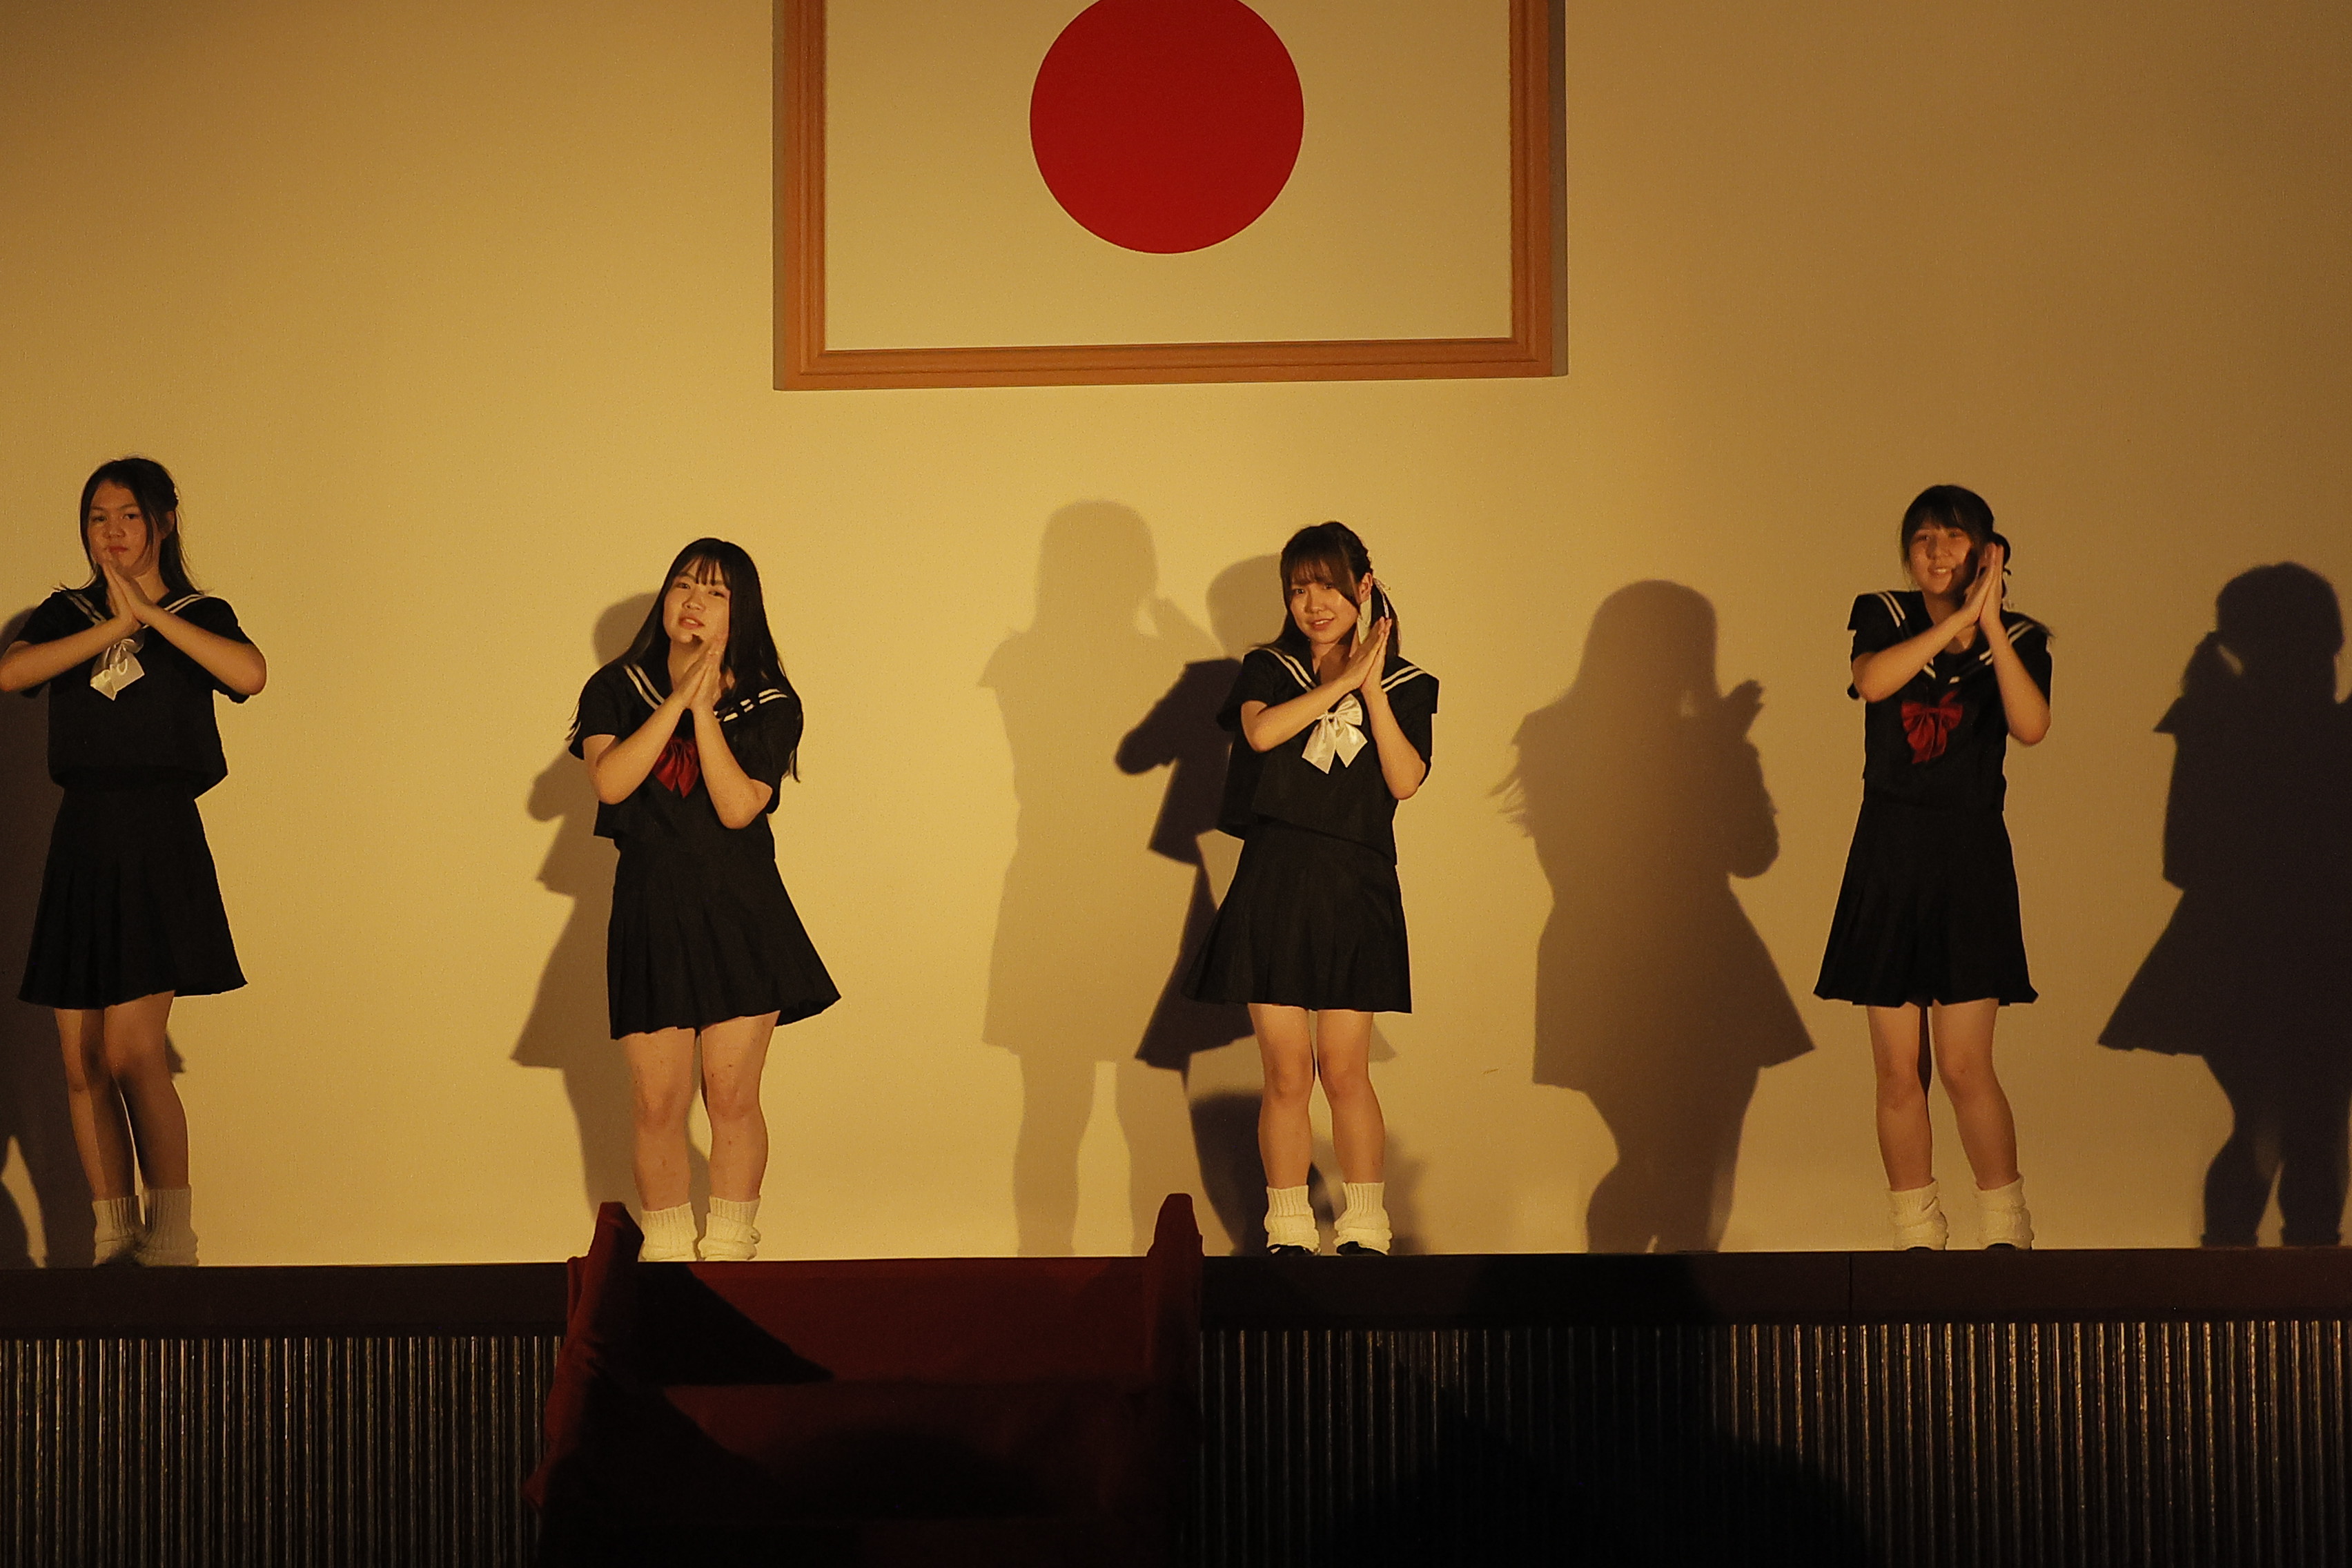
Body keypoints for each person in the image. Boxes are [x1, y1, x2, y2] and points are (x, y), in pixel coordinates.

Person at [1, 457, 266, 1266]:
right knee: (80, 1058)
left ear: (163, 521)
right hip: (83, 835)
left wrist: (148, 615)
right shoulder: (67, 612)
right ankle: (115, 1238)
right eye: (97, 518)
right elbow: (13, 672)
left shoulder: (198, 612)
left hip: (159, 836)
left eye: (127, 516)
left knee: (132, 1049)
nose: (112, 532)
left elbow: (249, 673)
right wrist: (112, 626)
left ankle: (173, 1235)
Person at [569, 539, 837, 1262]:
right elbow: (611, 781)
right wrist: (679, 699)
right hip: (651, 910)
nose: (694, 601)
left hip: (741, 911)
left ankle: (729, 1252)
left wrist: (708, 710)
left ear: (740, 612)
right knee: (656, 1102)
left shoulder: (771, 700)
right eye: (684, 584)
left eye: (716, 592)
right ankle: (664, 1259)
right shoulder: (615, 687)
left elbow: (737, 805)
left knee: (731, 1095)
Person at [1188, 522, 1438, 1255]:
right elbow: (1261, 735)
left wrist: (1371, 685)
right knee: (1286, 1073)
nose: (1314, 603)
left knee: (1346, 1070)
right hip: (1274, 881)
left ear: (1364, 587)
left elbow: (1405, 779)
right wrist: (1338, 682)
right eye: (1299, 590)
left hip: (1356, 886)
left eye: (1328, 585)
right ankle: (1289, 1227)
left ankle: (1365, 1225)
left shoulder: (1409, 684)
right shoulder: (1269, 668)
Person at [1816, 485, 2051, 1249]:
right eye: (1923, 539)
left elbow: (2031, 724)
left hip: (1969, 861)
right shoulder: (1883, 613)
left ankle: (2007, 1227)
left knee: (1962, 1064)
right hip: (1888, 856)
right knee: (1897, 1069)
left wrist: (1990, 625)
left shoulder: (2022, 636)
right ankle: (1916, 1231)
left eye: (1953, 538)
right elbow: (1873, 682)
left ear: (1986, 551)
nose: (1937, 552)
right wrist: (1953, 622)